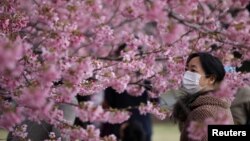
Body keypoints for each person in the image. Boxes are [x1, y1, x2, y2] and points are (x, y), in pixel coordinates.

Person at [172, 52, 234, 141]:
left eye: (193, 70)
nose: (187, 75)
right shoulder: (221, 106)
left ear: (211, 79)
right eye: (186, 70)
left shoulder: (203, 112)